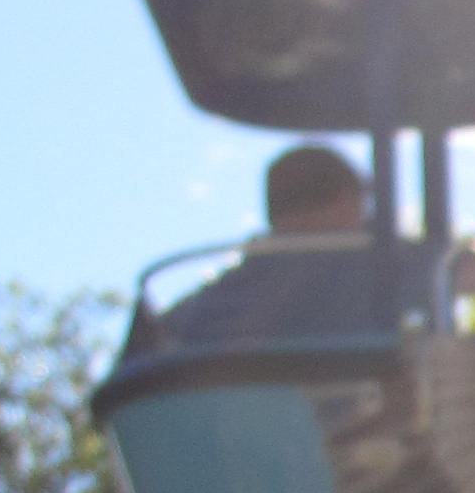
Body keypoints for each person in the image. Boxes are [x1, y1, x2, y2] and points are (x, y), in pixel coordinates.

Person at [150, 142, 403, 347]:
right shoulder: (371, 275)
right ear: (345, 202)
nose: (367, 221)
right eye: (362, 207)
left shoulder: (192, 314)